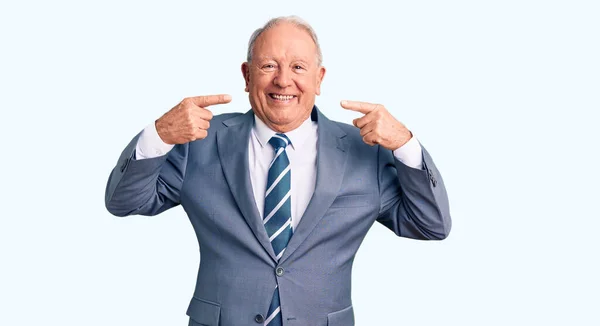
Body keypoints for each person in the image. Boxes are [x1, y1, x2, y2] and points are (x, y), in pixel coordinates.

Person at [105, 15, 451, 326]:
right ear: (247, 74)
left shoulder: (365, 151)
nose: (283, 81)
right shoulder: (199, 143)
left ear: (319, 78)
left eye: (299, 67)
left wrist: (406, 145)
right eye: (269, 65)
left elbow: (430, 224)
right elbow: (125, 201)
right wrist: (158, 135)